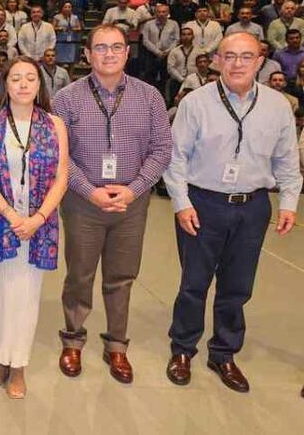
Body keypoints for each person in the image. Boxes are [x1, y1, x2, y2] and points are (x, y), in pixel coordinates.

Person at [164, 32, 300, 393]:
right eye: (230, 56)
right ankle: (182, 348)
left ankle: (223, 352)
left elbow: (287, 160)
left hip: (253, 206)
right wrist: (181, 203)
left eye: (246, 56)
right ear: (218, 60)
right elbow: (174, 159)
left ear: (261, 61)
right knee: (194, 283)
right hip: (202, 203)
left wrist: (288, 202)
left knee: (237, 286)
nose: (237, 63)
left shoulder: (278, 105)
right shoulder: (196, 103)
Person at [52, 24, 172, 383]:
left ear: (127, 52)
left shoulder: (149, 97)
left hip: (131, 204)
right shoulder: (67, 98)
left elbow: (162, 149)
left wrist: (134, 189)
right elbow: (60, 154)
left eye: (116, 47)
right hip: (82, 202)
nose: (108, 54)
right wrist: (90, 190)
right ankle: (73, 339)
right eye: (100, 48)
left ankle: (117, 345)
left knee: (121, 277)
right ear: (87, 54)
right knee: (79, 274)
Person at [0, 56, 69, 399]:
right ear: (5, 85)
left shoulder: (55, 125)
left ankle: (19, 364)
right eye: (16, 78)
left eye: (31, 78)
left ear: (40, 85)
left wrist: (37, 219)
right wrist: (13, 217)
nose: (24, 84)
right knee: (1, 291)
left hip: (39, 222)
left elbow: (62, 178)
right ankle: (1, 355)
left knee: (26, 294)